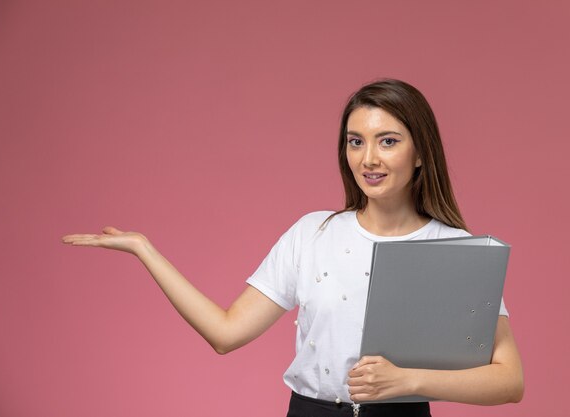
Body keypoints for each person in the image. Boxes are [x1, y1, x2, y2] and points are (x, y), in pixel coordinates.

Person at [62, 79, 524, 416]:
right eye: (355, 142)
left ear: (420, 152)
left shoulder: (456, 248)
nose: (369, 159)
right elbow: (225, 334)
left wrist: (408, 381)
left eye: (388, 141)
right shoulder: (312, 233)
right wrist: (145, 249)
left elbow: (509, 380)